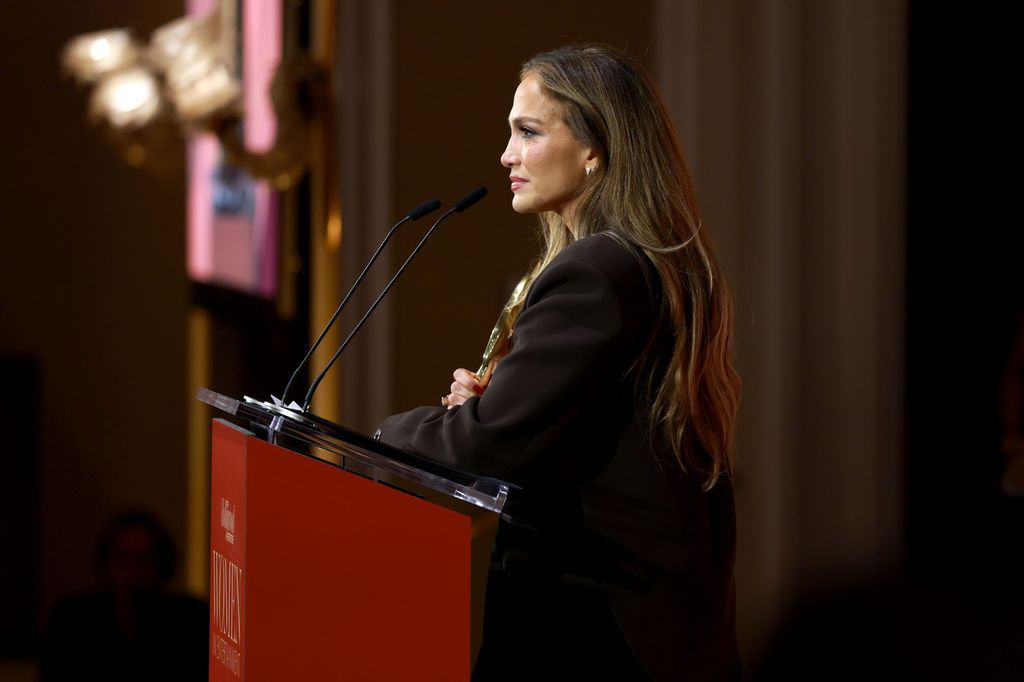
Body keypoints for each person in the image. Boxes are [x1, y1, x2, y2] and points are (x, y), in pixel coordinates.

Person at [376, 45, 741, 681]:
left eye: (528, 131)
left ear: (596, 147)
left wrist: (385, 434)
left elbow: (487, 445)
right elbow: (565, 430)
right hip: (635, 618)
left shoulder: (595, 271)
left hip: (589, 623)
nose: (506, 156)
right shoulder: (644, 261)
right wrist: (495, 408)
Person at [38, 509, 208, 681]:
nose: (132, 572)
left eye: (144, 559)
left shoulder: (190, 619)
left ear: (161, 565)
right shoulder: (72, 617)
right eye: (122, 559)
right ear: (105, 564)